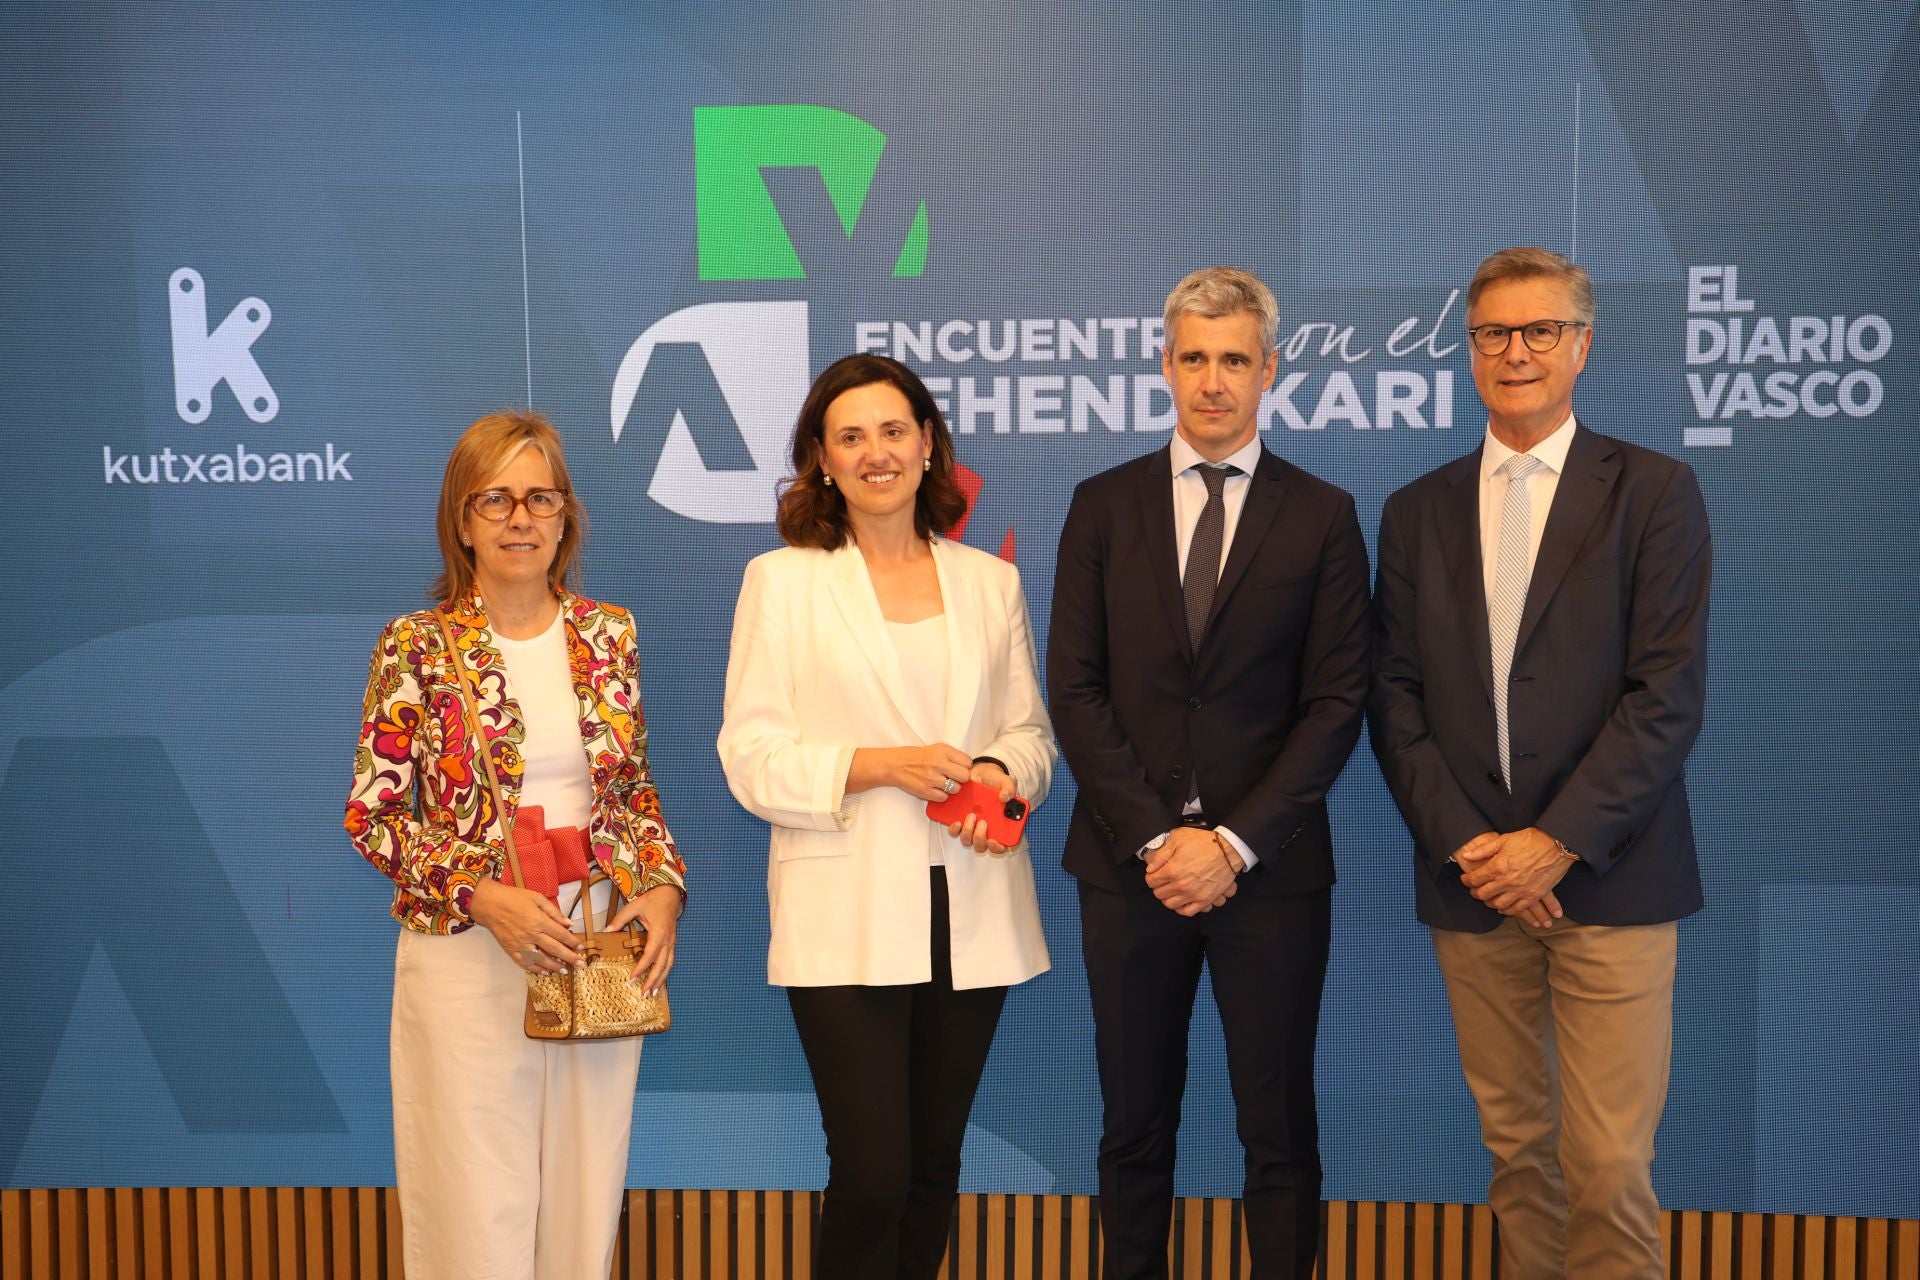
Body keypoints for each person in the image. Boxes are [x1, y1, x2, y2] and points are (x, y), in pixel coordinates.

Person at [1369, 246, 1710, 1280]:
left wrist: (1553, 842)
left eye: (1539, 331)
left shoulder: (1653, 490)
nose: (1514, 352)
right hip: (1475, 886)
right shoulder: (1417, 509)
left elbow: (1667, 694)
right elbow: (1396, 698)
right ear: (1469, 351)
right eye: (1491, 334)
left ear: (1582, 345)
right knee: (1517, 1155)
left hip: (1609, 877)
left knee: (1607, 1161)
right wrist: (1475, 844)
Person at [1048, 267, 1371, 1279]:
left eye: (1235, 359)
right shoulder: (1101, 506)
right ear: (1165, 365)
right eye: (1195, 357)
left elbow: (1335, 701)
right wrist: (1158, 837)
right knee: (1132, 1122)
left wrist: (1230, 842)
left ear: (1269, 369)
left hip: (1268, 872)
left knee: (1278, 1128)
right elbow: (1076, 686)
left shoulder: (1322, 513)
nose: (1214, 381)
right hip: (1128, 868)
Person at [717, 353, 1054, 1280]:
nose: (877, 454)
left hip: (972, 908)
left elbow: (1030, 735)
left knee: (932, 1171)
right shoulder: (780, 582)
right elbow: (750, 759)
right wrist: (876, 768)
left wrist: (996, 774)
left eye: (894, 431)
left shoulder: (990, 582)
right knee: (872, 1173)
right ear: (820, 460)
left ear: (928, 444)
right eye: (851, 437)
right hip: (846, 914)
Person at [345, 409, 686, 1280]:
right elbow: (374, 815)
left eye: (540, 497)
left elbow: (631, 790)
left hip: (595, 948)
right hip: (467, 955)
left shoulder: (610, 636)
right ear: (462, 521)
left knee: (583, 1203)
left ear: (567, 515)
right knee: (475, 1210)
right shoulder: (416, 645)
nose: (520, 518)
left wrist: (663, 886)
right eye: (495, 499)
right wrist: (479, 894)